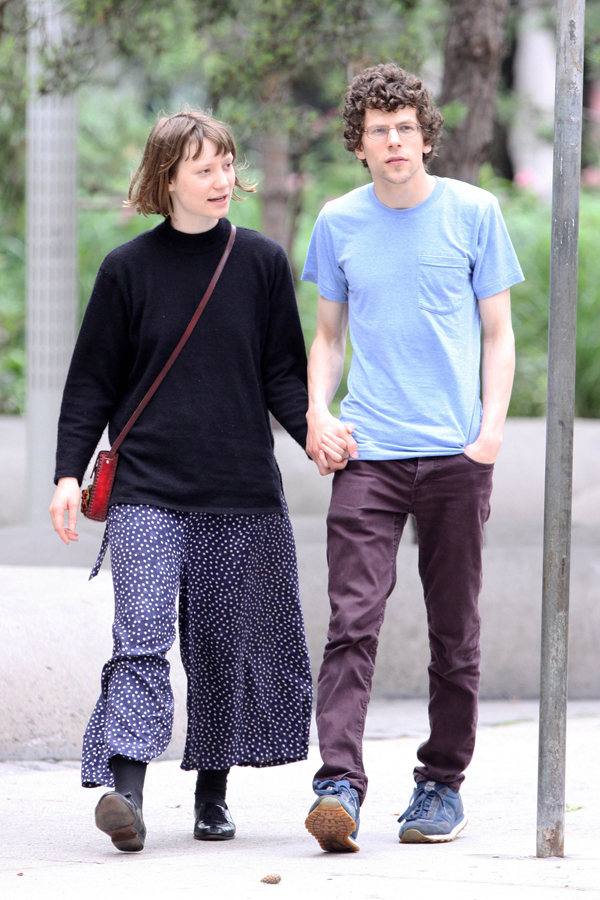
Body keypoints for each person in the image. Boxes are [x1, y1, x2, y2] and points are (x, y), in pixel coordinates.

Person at [49, 109, 315, 852]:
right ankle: (127, 794)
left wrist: (316, 438)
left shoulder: (261, 262)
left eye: (227, 164)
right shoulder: (127, 269)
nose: (223, 179)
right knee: (139, 635)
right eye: (205, 169)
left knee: (223, 646)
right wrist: (68, 473)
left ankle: (212, 794)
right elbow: (92, 383)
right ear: (168, 179)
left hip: (240, 489)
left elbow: (283, 375)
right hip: (147, 489)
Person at [301, 63, 524, 851]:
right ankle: (338, 785)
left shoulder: (474, 212)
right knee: (351, 621)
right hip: (368, 456)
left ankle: (440, 786)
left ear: (426, 137)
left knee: (454, 631)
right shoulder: (338, 221)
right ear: (359, 144)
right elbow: (327, 338)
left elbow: (498, 333)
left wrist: (488, 433)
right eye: (378, 130)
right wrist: (318, 414)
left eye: (405, 127)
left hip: (456, 457)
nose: (393, 140)